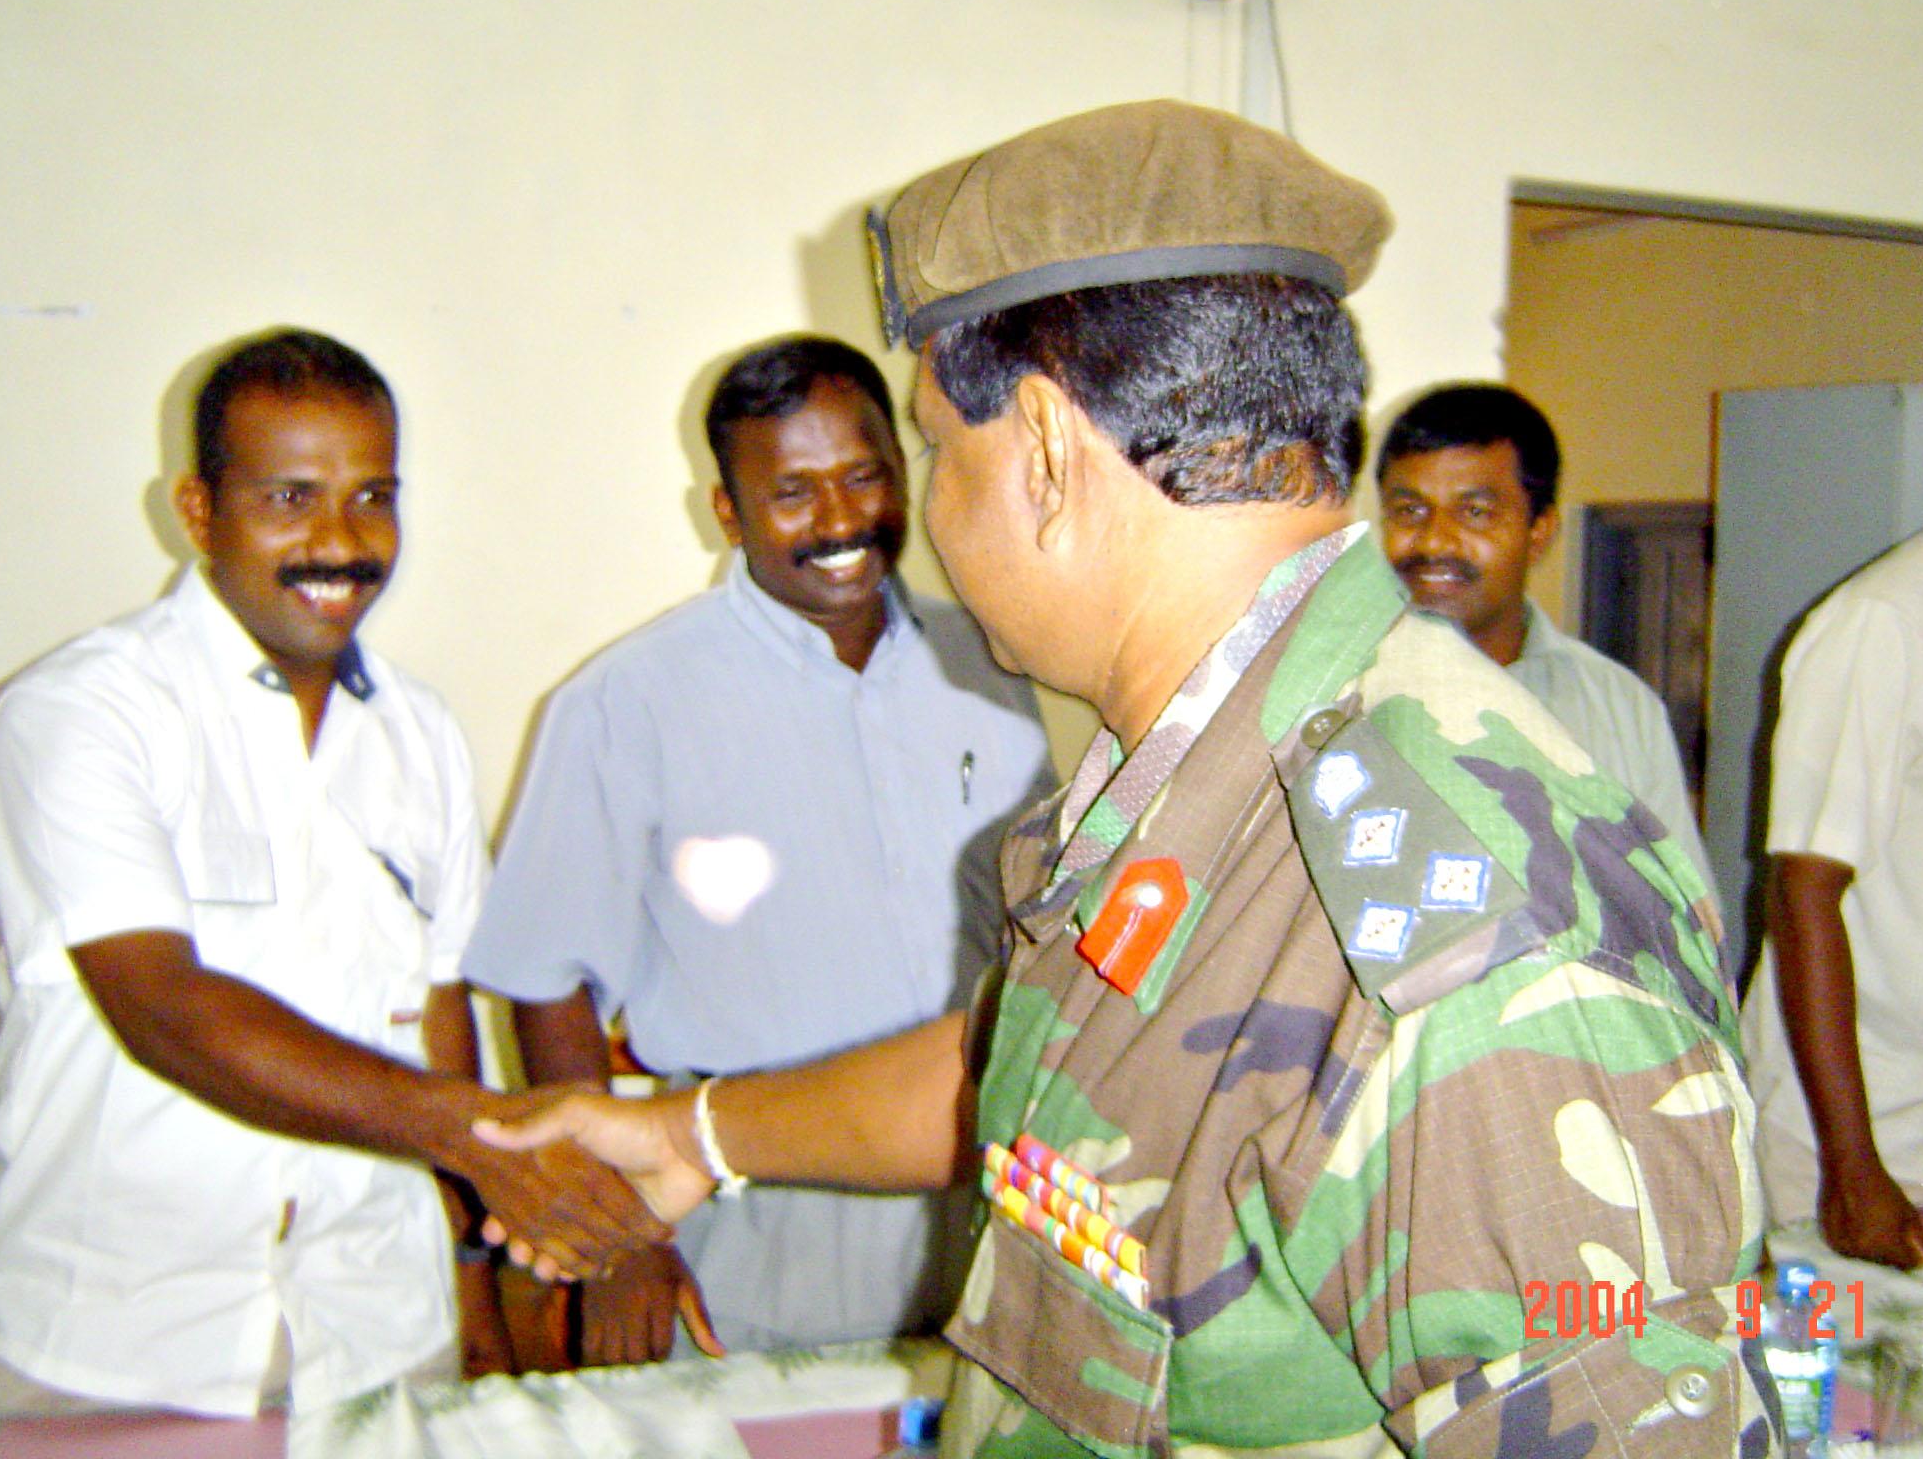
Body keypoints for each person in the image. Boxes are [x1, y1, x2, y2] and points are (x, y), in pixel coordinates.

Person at [478, 103, 1777, 1454]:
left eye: (934, 448)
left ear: (1041, 450)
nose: (927, 512)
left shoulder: (1455, 924)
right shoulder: (1206, 773)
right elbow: (1073, 1072)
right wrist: (696, 1136)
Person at [0, 328, 667, 1418]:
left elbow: (442, 1013)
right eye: (289, 498)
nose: (340, 541)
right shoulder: (78, 713)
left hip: (377, 1340)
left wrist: (474, 1295)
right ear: (198, 510)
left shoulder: (421, 734)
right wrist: (470, 1136)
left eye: (372, 497)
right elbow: (164, 1006)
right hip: (113, 1345)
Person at [461, 334, 1052, 1363]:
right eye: (790, 492)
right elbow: (548, 984)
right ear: (725, 512)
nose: (837, 521)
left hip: (989, 1218)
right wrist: (617, 1245)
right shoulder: (624, 703)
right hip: (751, 1228)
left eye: (862, 475)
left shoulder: (992, 661)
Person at [1741, 310, 1923, 1269]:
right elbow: (1802, 890)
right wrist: (1851, 1161)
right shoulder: (1897, 622)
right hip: (1873, 1153)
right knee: (1859, 1417)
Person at [1375, 382, 1723, 958]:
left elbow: (1687, 925)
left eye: (1476, 512)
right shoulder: (1333, 692)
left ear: (1540, 531)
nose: (1434, 540)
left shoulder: (1617, 708)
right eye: (1409, 510)